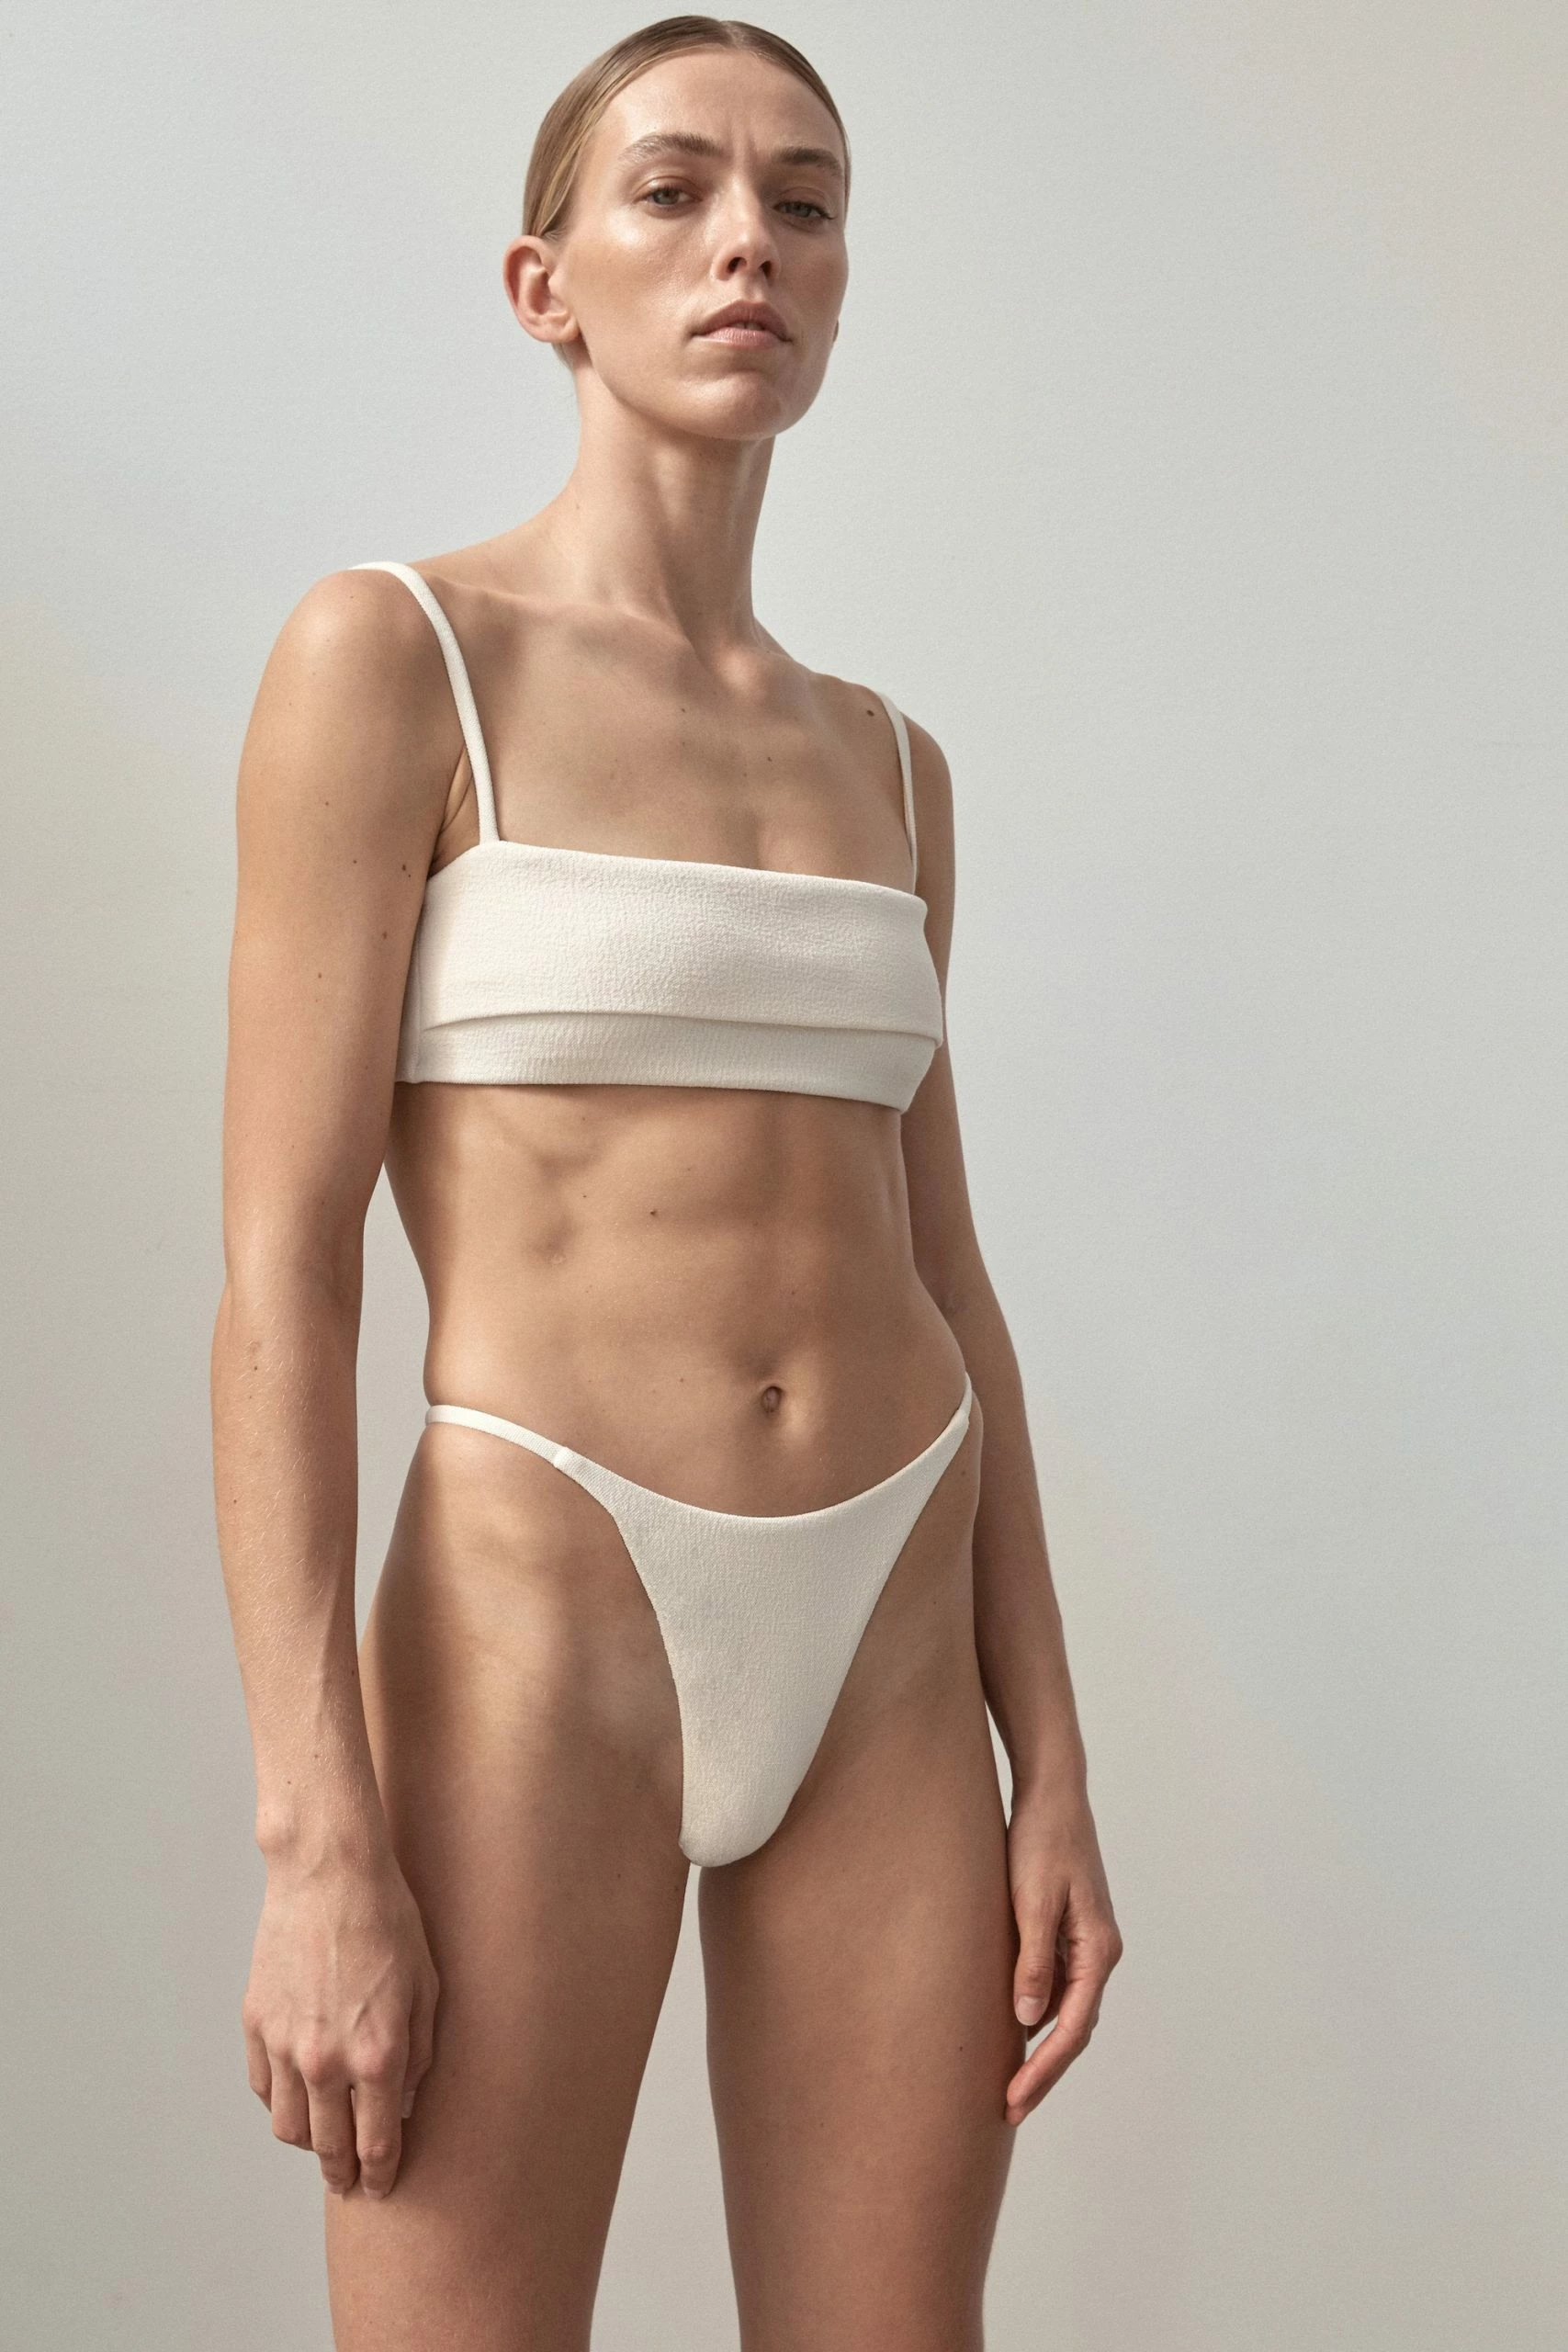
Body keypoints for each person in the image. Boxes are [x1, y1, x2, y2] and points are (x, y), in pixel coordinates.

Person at [210, 16, 1122, 2347]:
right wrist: (315, 1828)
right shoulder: (397, 658)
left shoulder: (892, 766)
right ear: (545, 284)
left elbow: (949, 1274)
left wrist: (1049, 1754)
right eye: (676, 190)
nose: (750, 244)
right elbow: (283, 1271)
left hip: (894, 1628)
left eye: (803, 203)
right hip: (540, 1616)